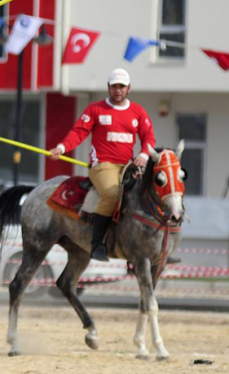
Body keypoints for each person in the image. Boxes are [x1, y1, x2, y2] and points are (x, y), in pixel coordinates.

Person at [48, 68, 156, 262]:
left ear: (129, 88)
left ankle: (141, 246)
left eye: (122, 86)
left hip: (127, 166)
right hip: (102, 165)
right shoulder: (95, 109)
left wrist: (144, 155)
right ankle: (97, 244)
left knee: (145, 194)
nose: (118, 90)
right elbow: (78, 132)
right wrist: (62, 147)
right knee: (112, 194)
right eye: (114, 86)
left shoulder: (138, 111)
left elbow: (148, 137)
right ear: (108, 87)